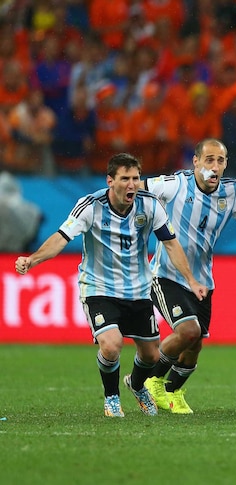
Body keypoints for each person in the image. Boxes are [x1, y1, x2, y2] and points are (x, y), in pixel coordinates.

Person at [14, 153, 207, 417]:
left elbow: (171, 243)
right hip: (98, 288)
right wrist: (33, 259)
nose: (132, 185)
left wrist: (191, 280)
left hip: (138, 290)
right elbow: (61, 238)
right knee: (112, 344)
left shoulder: (150, 205)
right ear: (110, 181)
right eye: (125, 178)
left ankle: (137, 385)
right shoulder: (90, 205)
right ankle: (112, 397)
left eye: (136, 178)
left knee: (151, 356)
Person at [141, 139, 236, 414]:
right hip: (166, 274)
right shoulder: (175, 184)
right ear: (196, 162)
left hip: (203, 280)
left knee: (195, 344)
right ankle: (147, 380)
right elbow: (136, 188)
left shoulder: (232, 191)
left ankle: (172, 391)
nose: (215, 167)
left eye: (221, 161)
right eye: (209, 160)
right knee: (188, 331)